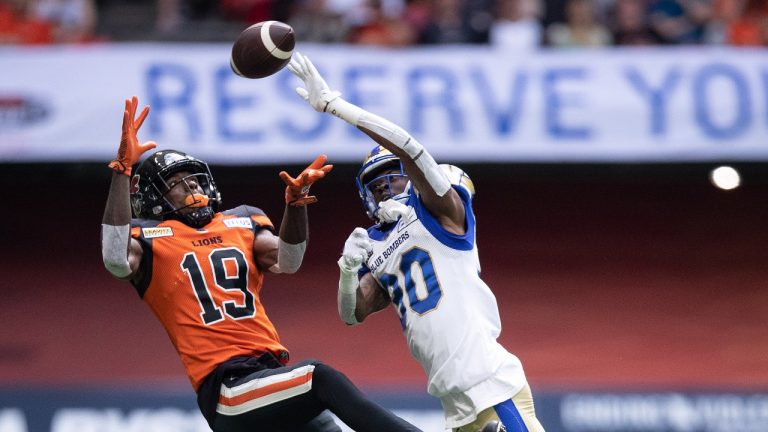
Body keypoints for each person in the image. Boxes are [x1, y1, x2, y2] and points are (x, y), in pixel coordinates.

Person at [100, 95, 423, 432]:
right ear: (153, 198)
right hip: (228, 389)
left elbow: (289, 259)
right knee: (319, 378)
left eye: (194, 178)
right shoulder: (149, 236)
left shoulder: (240, 221)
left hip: (269, 376)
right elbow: (115, 259)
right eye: (178, 182)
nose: (192, 185)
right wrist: (122, 171)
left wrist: (295, 208)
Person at [288, 54, 547, 432]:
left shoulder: (439, 215)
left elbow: (411, 149)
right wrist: (346, 269)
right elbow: (351, 313)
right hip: (452, 400)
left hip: (491, 384)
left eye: (390, 179)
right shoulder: (377, 244)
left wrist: (335, 106)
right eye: (375, 186)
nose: (382, 189)